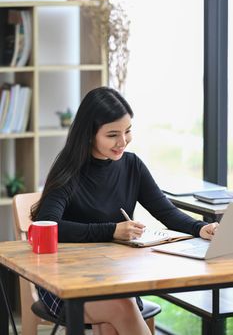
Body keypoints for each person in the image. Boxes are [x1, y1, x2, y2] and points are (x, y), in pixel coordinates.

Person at [31, 86, 218, 335]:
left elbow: (165, 211)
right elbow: (48, 226)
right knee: (122, 308)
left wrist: (200, 227)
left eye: (127, 131)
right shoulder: (70, 171)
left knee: (112, 321)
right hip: (65, 281)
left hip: (114, 277)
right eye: (112, 135)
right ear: (89, 134)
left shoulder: (132, 166)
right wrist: (112, 231)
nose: (122, 141)